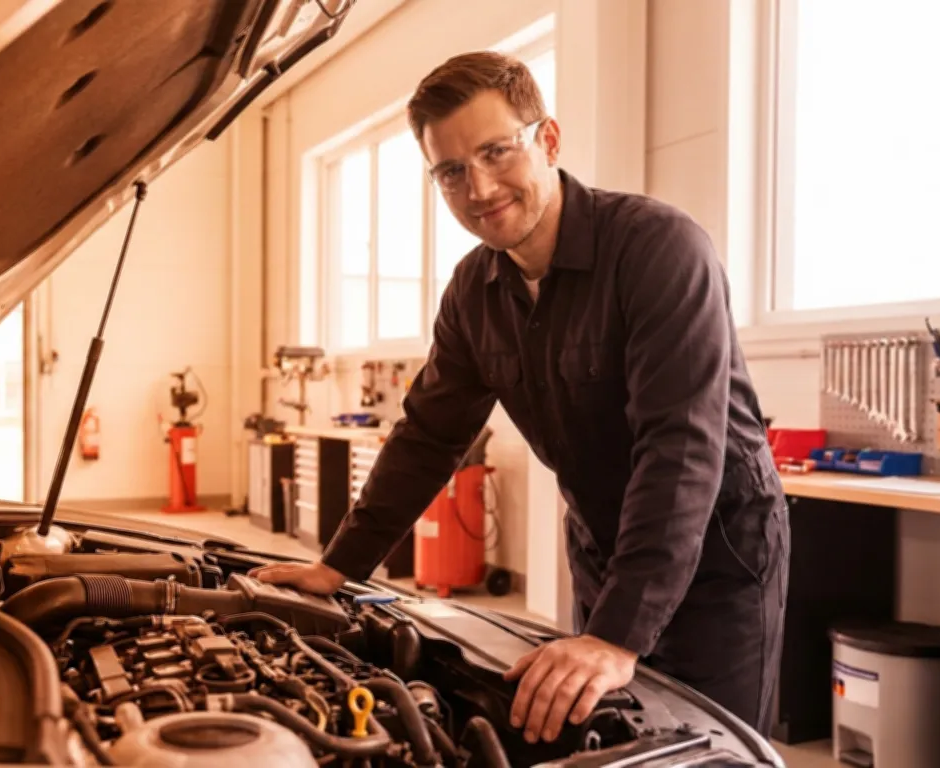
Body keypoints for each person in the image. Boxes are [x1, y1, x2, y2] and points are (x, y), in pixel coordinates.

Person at [251, 50, 790, 744]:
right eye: (450, 171)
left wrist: (615, 636)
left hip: (718, 556)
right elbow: (426, 437)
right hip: (603, 546)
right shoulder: (473, 292)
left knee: (706, 752)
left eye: (496, 151)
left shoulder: (659, 249)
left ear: (550, 140)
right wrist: (338, 565)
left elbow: (681, 448)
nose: (477, 188)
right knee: (611, 741)